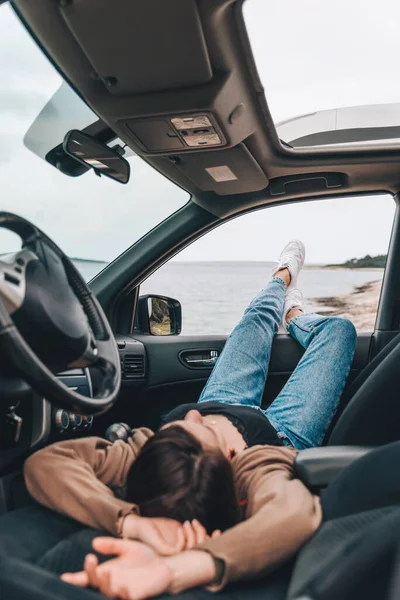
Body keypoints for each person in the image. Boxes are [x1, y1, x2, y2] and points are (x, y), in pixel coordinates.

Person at [24, 240, 357, 596]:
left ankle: (281, 278)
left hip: (223, 399)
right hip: (282, 432)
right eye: (198, 429)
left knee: (257, 318)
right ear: (230, 460)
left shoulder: (142, 455)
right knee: (338, 332)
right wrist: (184, 567)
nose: (194, 414)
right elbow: (292, 515)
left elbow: (46, 463)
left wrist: (128, 522)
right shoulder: (256, 471)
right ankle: (295, 316)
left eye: (179, 426)